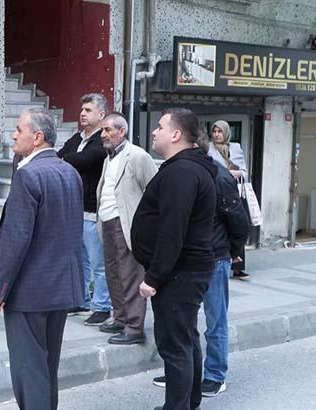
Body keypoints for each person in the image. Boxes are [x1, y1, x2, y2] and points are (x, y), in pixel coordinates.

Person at [0, 108, 84, 409]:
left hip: (29, 291)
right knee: (46, 368)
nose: (14, 135)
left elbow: (16, 240)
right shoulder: (70, 172)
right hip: (60, 287)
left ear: (38, 137)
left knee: (29, 371)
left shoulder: (28, 175)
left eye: (19, 129)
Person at [152, 131, 249, 398]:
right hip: (189, 259)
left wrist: (233, 251)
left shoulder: (218, 175)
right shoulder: (184, 172)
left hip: (215, 258)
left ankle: (215, 375)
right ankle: (182, 373)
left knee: (215, 319)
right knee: (185, 321)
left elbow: (239, 220)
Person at [133, 108, 217, 410]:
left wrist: (154, 277)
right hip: (186, 270)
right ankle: (189, 402)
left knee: (175, 345)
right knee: (186, 338)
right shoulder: (188, 167)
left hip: (179, 273)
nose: (154, 132)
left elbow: (173, 229)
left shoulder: (182, 172)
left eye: (160, 127)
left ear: (176, 134)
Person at [96, 112, 158, 344]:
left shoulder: (138, 156)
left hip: (127, 224)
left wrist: (146, 225)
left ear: (122, 131)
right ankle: (120, 317)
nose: (103, 135)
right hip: (107, 221)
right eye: (102, 130)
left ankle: (134, 327)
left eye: (108, 130)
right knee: (113, 273)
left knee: (130, 275)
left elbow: (154, 193)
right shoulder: (108, 158)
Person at [57, 93, 112, 326]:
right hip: (73, 210)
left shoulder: (103, 140)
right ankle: (80, 300)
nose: (82, 114)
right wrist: (69, 159)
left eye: (88, 110)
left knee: (98, 264)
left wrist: (69, 160)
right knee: (79, 261)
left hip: (93, 211)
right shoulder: (76, 138)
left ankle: (102, 306)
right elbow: (59, 156)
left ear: (101, 114)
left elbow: (87, 159)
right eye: (82, 109)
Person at [209, 120, 250, 280]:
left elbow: (244, 172)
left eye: (220, 131)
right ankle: (227, 258)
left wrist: (233, 173)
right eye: (214, 131)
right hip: (217, 192)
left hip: (234, 193)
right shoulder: (209, 148)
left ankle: (238, 267)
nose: (216, 135)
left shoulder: (236, 148)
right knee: (222, 226)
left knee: (237, 224)